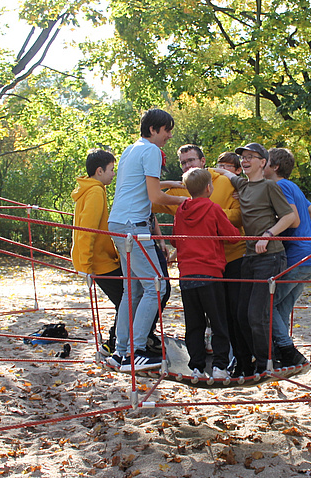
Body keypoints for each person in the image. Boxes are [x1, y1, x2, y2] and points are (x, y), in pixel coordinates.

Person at [106, 108, 186, 372]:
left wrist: (171, 182)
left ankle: (120, 351)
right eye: (166, 130)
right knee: (156, 285)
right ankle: (135, 351)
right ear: (153, 130)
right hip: (133, 226)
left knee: (134, 290)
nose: (169, 135)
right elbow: (154, 197)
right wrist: (185, 201)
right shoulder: (151, 150)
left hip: (118, 223)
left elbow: (141, 186)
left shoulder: (131, 149)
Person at [154, 144, 245, 364]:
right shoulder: (180, 191)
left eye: (191, 161)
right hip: (209, 266)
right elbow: (150, 201)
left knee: (227, 315)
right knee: (213, 319)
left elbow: (242, 214)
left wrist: (209, 215)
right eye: (183, 162)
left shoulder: (225, 181)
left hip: (225, 260)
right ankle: (217, 363)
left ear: (203, 160)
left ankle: (228, 359)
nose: (187, 165)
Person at [214, 143, 298, 375]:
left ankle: (267, 363)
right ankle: (258, 360)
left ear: (263, 162)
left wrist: (269, 235)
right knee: (242, 314)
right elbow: (226, 173)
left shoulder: (270, 186)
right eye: (243, 157)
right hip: (250, 256)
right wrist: (213, 171)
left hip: (270, 256)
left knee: (256, 314)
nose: (246, 160)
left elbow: (290, 216)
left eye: (251, 157)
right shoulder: (242, 184)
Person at [171, 168, 240, 380]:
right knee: (218, 321)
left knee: (194, 324)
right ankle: (219, 366)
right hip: (210, 273)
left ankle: (197, 367)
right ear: (209, 188)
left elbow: (175, 239)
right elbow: (232, 237)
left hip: (187, 275)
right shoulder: (213, 208)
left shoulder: (181, 210)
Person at [263, 147, 311, 367]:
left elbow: (294, 218)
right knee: (281, 307)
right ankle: (281, 349)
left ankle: (289, 351)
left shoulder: (279, 185)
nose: (262, 164)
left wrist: (270, 232)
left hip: (297, 257)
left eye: (265, 161)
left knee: (266, 304)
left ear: (275, 166)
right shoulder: (294, 187)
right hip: (310, 258)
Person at [71, 149, 123, 357]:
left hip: (104, 259)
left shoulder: (90, 189)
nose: (113, 174)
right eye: (111, 170)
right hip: (100, 263)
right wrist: (85, 267)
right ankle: (114, 343)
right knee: (127, 300)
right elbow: (88, 231)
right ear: (100, 171)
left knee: (127, 299)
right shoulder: (95, 191)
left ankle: (118, 340)